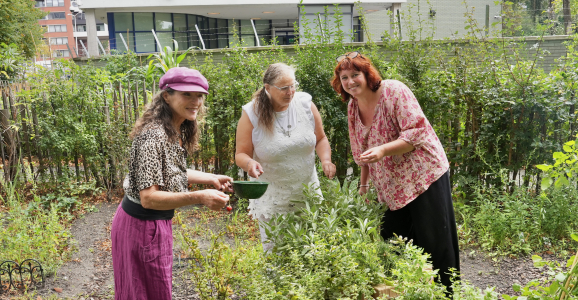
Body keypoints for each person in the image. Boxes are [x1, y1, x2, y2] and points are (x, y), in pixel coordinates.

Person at [330, 52, 460, 293]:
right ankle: (406, 293)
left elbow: (416, 133)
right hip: (392, 184)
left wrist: (383, 150)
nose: (350, 82)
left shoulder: (393, 91)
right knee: (393, 242)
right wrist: (364, 185)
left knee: (435, 241)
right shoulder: (352, 106)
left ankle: (447, 294)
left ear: (367, 74)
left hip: (424, 175)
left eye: (355, 75)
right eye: (344, 77)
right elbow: (363, 152)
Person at [111, 67, 233, 300]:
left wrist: (211, 178)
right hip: (142, 228)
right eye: (187, 94)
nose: (195, 101)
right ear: (166, 96)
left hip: (150, 225)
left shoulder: (170, 130)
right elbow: (149, 198)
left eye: (199, 96)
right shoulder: (152, 137)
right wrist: (199, 196)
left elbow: (166, 172)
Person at [235, 63, 336, 251]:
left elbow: (321, 139)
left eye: (293, 85)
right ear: (268, 88)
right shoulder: (252, 113)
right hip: (273, 197)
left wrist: (326, 160)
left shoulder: (305, 104)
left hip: (306, 193)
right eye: (284, 88)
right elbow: (241, 154)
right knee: (276, 254)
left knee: (309, 251)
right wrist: (250, 163)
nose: (290, 92)